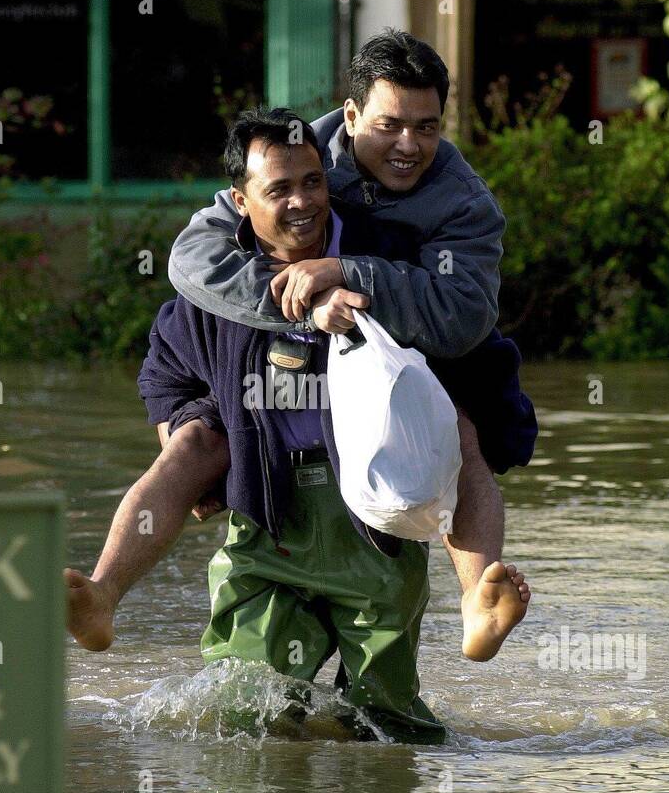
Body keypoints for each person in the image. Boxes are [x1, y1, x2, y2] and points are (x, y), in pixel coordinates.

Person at [65, 31, 535, 658]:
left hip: (417, 354)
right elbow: (194, 259)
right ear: (349, 116)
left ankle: (479, 597)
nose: (408, 146)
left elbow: (465, 317)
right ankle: (101, 592)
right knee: (193, 441)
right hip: (274, 369)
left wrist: (348, 272)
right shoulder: (295, 155)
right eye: (390, 125)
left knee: (461, 432)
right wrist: (304, 298)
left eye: (427, 128)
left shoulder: (465, 202)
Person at [138, 109, 457, 743]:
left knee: (387, 727)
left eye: (312, 182)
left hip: (375, 521)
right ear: (240, 201)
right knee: (243, 718)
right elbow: (166, 373)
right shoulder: (216, 282)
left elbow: (467, 351)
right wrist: (182, 436)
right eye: (279, 189)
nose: (301, 202)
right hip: (266, 519)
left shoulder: (384, 259)